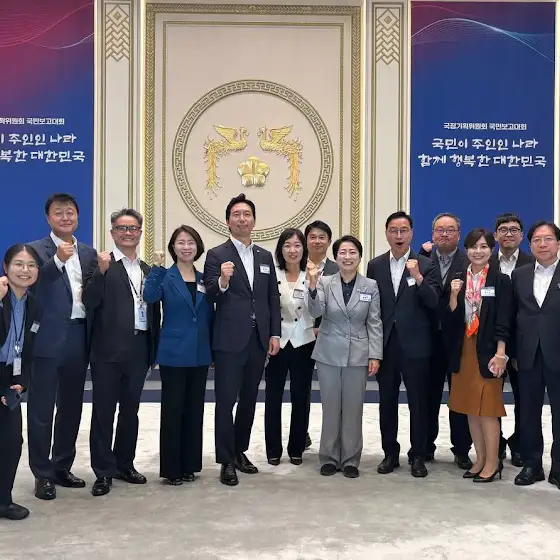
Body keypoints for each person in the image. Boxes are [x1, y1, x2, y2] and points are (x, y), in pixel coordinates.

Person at [204, 193, 281, 486]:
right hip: (228, 340)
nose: (242, 219)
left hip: (258, 339)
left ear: (254, 221)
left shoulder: (264, 256)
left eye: (247, 214)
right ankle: (225, 460)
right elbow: (210, 293)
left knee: (249, 399)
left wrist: (274, 332)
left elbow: (271, 297)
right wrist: (223, 281)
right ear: (228, 221)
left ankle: (239, 451)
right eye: (236, 214)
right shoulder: (216, 255)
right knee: (225, 401)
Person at [82, 209, 160, 497]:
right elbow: (89, 300)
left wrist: (153, 349)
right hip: (107, 352)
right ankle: (103, 472)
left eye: (133, 228)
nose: (128, 233)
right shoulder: (100, 263)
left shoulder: (147, 269)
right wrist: (100, 273)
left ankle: (124, 464)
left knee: (131, 411)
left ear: (140, 232)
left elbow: (153, 309)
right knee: (103, 412)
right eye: (122, 228)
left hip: (139, 348)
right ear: (112, 232)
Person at [27, 193, 97, 500]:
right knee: (41, 410)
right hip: (46, 339)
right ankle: (42, 474)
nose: (65, 217)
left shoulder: (89, 252)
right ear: (48, 218)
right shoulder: (34, 250)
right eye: (59, 213)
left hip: (79, 336)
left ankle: (61, 467)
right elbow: (32, 283)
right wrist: (57, 261)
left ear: (78, 217)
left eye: (70, 212)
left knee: (71, 407)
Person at [367, 211, 439, 478]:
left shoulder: (426, 264)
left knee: (418, 403)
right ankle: (390, 453)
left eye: (403, 230)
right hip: (386, 345)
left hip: (416, 346)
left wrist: (418, 277)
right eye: (393, 231)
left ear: (411, 234)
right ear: (386, 234)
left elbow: (434, 302)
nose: (399, 236)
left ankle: (418, 455)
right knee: (387, 401)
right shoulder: (375, 266)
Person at [307, 235, 382, 478]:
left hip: (358, 354)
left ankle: (350, 459)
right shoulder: (324, 282)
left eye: (352, 253)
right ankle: (328, 457)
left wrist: (375, 355)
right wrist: (312, 286)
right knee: (330, 408)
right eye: (342, 253)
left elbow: (374, 322)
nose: (347, 257)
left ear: (359, 256)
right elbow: (315, 311)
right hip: (328, 352)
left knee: (353, 408)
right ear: (336, 256)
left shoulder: (370, 285)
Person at [143, 225, 212, 485]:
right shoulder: (165, 275)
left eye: (191, 242)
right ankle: (172, 469)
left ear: (198, 247)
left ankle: (190, 464)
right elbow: (149, 296)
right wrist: (156, 267)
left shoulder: (204, 278)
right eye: (181, 242)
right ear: (173, 247)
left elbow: (210, 314)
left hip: (200, 351)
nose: (186, 247)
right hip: (173, 352)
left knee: (194, 410)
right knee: (173, 410)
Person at [444, 229, 511, 483]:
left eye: (483, 246)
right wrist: (453, 295)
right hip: (464, 348)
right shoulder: (458, 277)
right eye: (473, 247)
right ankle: (480, 458)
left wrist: (501, 353)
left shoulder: (500, 280)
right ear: (466, 250)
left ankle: (493, 462)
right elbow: (450, 317)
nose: (478, 251)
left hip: (488, 351)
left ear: (492, 250)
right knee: (471, 408)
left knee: (488, 409)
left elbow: (504, 320)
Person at [420, 213, 473, 469]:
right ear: (432, 234)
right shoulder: (421, 261)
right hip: (427, 340)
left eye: (450, 230)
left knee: (460, 397)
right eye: (440, 230)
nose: (444, 234)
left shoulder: (469, 261)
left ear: (458, 235)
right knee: (427, 397)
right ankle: (425, 447)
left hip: (458, 340)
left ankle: (461, 449)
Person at [511, 221, 560, 488]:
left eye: (548, 239)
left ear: (558, 243)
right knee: (528, 411)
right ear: (530, 245)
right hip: (527, 353)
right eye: (537, 240)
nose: (543, 244)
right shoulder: (519, 275)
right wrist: (512, 352)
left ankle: (558, 466)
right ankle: (532, 465)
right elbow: (512, 315)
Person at [265, 228, 315, 466]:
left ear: (303, 249)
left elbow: (319, 308)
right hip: (277, 341)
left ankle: (297, 447)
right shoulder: (271, 274)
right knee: (273, 396)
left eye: (297, 245)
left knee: (301, 397)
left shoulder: (312, 274)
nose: (292, 250)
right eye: (287, 245)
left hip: (304, 341)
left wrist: (314, 286)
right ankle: (273, 450)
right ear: (280, 249)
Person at [0, 245, 41, 520]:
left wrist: (21, 381)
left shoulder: (34, 305)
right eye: (18, 264)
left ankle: (3, 500)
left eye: (31, 265)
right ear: (6, 267)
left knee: (11, 441)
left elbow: (28, 349)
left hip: (9, 376)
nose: (25, 270)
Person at [491, 213, 534, 467]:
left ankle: (519, 445)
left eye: (514, 230)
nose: (508, 234)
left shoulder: (532, 263)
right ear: (495, 235)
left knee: (523, 399)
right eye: (503, 229)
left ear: (521, 235)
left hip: (522, 345)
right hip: (491, 344)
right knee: (492, 398)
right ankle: (494, 443)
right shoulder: (485, 262)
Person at [304, 220, 339, 449]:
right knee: (302, 387)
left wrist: (320, 325)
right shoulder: (295, 265)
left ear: (329, 241)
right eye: (313, 237)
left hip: (329, 335)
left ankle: (333, 438)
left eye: (322, 237)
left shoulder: (338, 268)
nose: (317, 241)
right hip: (299, 335)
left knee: (331, 390)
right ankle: (302, 432)